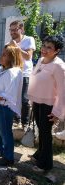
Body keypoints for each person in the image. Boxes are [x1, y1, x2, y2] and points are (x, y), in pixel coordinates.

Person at [27, 35, 65, 172]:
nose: (44, 49)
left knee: (46, 133)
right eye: (44, 45)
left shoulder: (59, 66)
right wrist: (32, 100)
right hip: (38, 101)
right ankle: (39, 155)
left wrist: (57, 112)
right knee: (41, 131)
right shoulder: (42, 60)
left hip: (49, 105)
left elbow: (63, 92)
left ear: (57, 50)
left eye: (49, 47)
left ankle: (45, 165)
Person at [0, 43, 23, 166]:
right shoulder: (2, 69)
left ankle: (9, 158)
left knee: (6, 132)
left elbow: (10, 93)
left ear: (12, 57)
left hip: (5, 107)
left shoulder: (14, 72)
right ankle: (0, 150)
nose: (1, 57)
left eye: (4, 55)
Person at [9, 20, 36, 129]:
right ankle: (17, 120)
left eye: (15, 30)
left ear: (21, 29)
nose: (12, 32)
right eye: (11, 30)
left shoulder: (29, 39)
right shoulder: (9, 43)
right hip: (13, 74)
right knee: (13, 99)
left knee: (24, 99)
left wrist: (17, 47)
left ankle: (25, 123)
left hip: (25, 73)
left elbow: (28, 57)